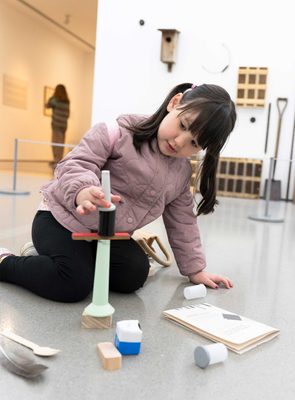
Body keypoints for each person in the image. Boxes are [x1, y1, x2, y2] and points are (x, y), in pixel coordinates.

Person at [0, 83, 236, 303]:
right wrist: (82, 190)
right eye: (183, 125)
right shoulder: (117, 133)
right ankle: (7, 262)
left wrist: (195, 270)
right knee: (73, 285)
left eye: (193, 144)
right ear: (174, 102)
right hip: (61, 220)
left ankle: (63, 260)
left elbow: (182, 222)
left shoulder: (181, 173)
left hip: (106, 235)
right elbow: (76, 164)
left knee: (134, 275)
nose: (180, 141)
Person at [46, 84, 70, 169]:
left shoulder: (55, 100)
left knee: (55, 144)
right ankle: (58, 161)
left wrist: (53, 96)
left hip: (56, 125)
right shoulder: (67, 101)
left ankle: (57, 161)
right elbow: (68, 114)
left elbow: (47, 104)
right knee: (61, 144)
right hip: (64, 126)